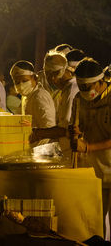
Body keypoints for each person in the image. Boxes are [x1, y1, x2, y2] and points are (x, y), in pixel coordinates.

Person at [69, 58, 111, 238]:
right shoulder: (79, 99)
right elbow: (77, 127)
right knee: (94, 222)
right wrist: (76, 132)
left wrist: (88, 147)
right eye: (81, 87)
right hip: (94, 171)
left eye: (88, 86)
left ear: (102, 81)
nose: (85, 91)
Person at [30, 52, 79, 155]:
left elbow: (66, 128)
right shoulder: (66, 90)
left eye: (47, 75)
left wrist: (38, 133)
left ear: (53, 76)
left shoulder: (71, 91)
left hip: (73, 152)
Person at [10, 60, 56, 145]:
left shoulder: (40, 96)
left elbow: (50, 129)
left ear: (35, 78)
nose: (21, 85)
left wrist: (32, 129)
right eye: (17, 82)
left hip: (42, 149)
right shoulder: (26, 96)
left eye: (24, 81)